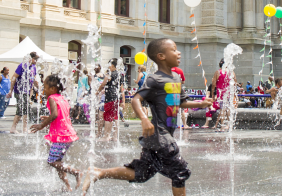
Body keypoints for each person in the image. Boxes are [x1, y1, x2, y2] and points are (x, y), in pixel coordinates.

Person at [82, 38, 214, 196]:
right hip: (160, 134)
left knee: (142, 173)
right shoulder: (154, 79)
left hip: (160, 136)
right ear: (161, 56)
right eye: (174, 50)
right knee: (180, 171)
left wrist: (202, 103)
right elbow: (136, 99)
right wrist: (144, 119)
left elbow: (181, 102)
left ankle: (98, 173)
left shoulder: (176, 78)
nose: (179, 53)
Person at [31, 75, 80, 191]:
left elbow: (55, 115)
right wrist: (48, 118)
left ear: (52, 89)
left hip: (61, 135)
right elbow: (61, 115)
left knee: (52, 161)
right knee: (58, 162)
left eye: (45, 87)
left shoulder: (52, 98)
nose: (44, 89)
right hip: (67, 134)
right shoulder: (61, 98)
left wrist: (41, 125)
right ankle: (68, 186)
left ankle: (76, 172)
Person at [9, 52, 38, 133]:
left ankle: (23, 128)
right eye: (35, 59)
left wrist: (32, 93)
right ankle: (15, 128)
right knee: (22, 109)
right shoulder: (22, 65)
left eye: (37, 59)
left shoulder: (34, 67)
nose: (36, 61)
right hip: (20, 91)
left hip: (27, 92)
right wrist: (10, 91)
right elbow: (14, 77)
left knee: (25, 109)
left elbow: (33, 81)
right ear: (30, 58)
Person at [97, 59, 122, 140]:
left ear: (112, 65)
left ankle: (106, 136)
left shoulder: (110, 74)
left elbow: (103, 84)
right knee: (115, 117)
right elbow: (120, 87)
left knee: (108, 116)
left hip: (110, 98)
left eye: (109, 64)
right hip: (116, 98)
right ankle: (115, 136)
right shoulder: (119, 74)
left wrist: (97, 92)